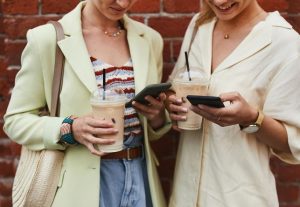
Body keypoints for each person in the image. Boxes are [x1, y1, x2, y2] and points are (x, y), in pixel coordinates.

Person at [3, 0, 171, 207]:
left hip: (140, 175)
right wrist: (70, 128)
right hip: (77, 186)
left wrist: (156, 117)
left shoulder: (150, 39)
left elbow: (150, 129)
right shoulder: (47, 39)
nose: (123, 3)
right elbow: (15, 120)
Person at [166, 0, 300, 206]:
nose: (219, 2)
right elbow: (175, 88)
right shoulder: (199, 26)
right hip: (185, 195)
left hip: (240, 198)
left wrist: (252, 119)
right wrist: (172, 105)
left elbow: (292, 144)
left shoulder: (284, 42)